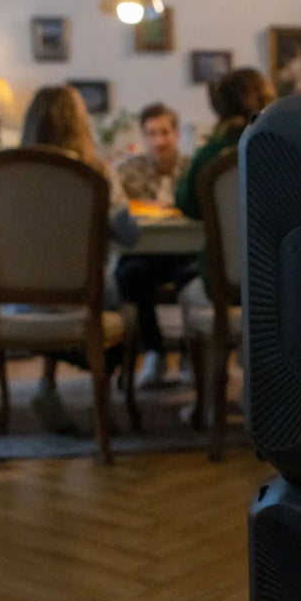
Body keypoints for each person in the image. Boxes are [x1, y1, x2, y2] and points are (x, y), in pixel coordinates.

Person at [19, 85, 139, 433]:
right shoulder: (94, 172)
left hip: (19, 302)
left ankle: (48, 387)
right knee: (124, 308)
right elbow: (129, 235)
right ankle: (101, 401)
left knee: (49, 288)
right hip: (86, 299)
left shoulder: (7, 174)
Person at [115, 103, 197, 388]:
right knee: (129, 276)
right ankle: (154, 352)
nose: (159, 140)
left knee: (195, 275)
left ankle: (191, 351)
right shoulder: (127, 170)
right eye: (151, 133)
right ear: (144, 136)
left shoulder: (192, 167)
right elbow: (119, 209)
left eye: (164, 132)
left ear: (175, 133)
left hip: (184, 251)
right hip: (144, 251)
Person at [176, 67, 276, 297]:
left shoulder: (209, 154)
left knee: (188, 291)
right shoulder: (280, 149)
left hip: (221, 283)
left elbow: (187, 205)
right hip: (278, 277)